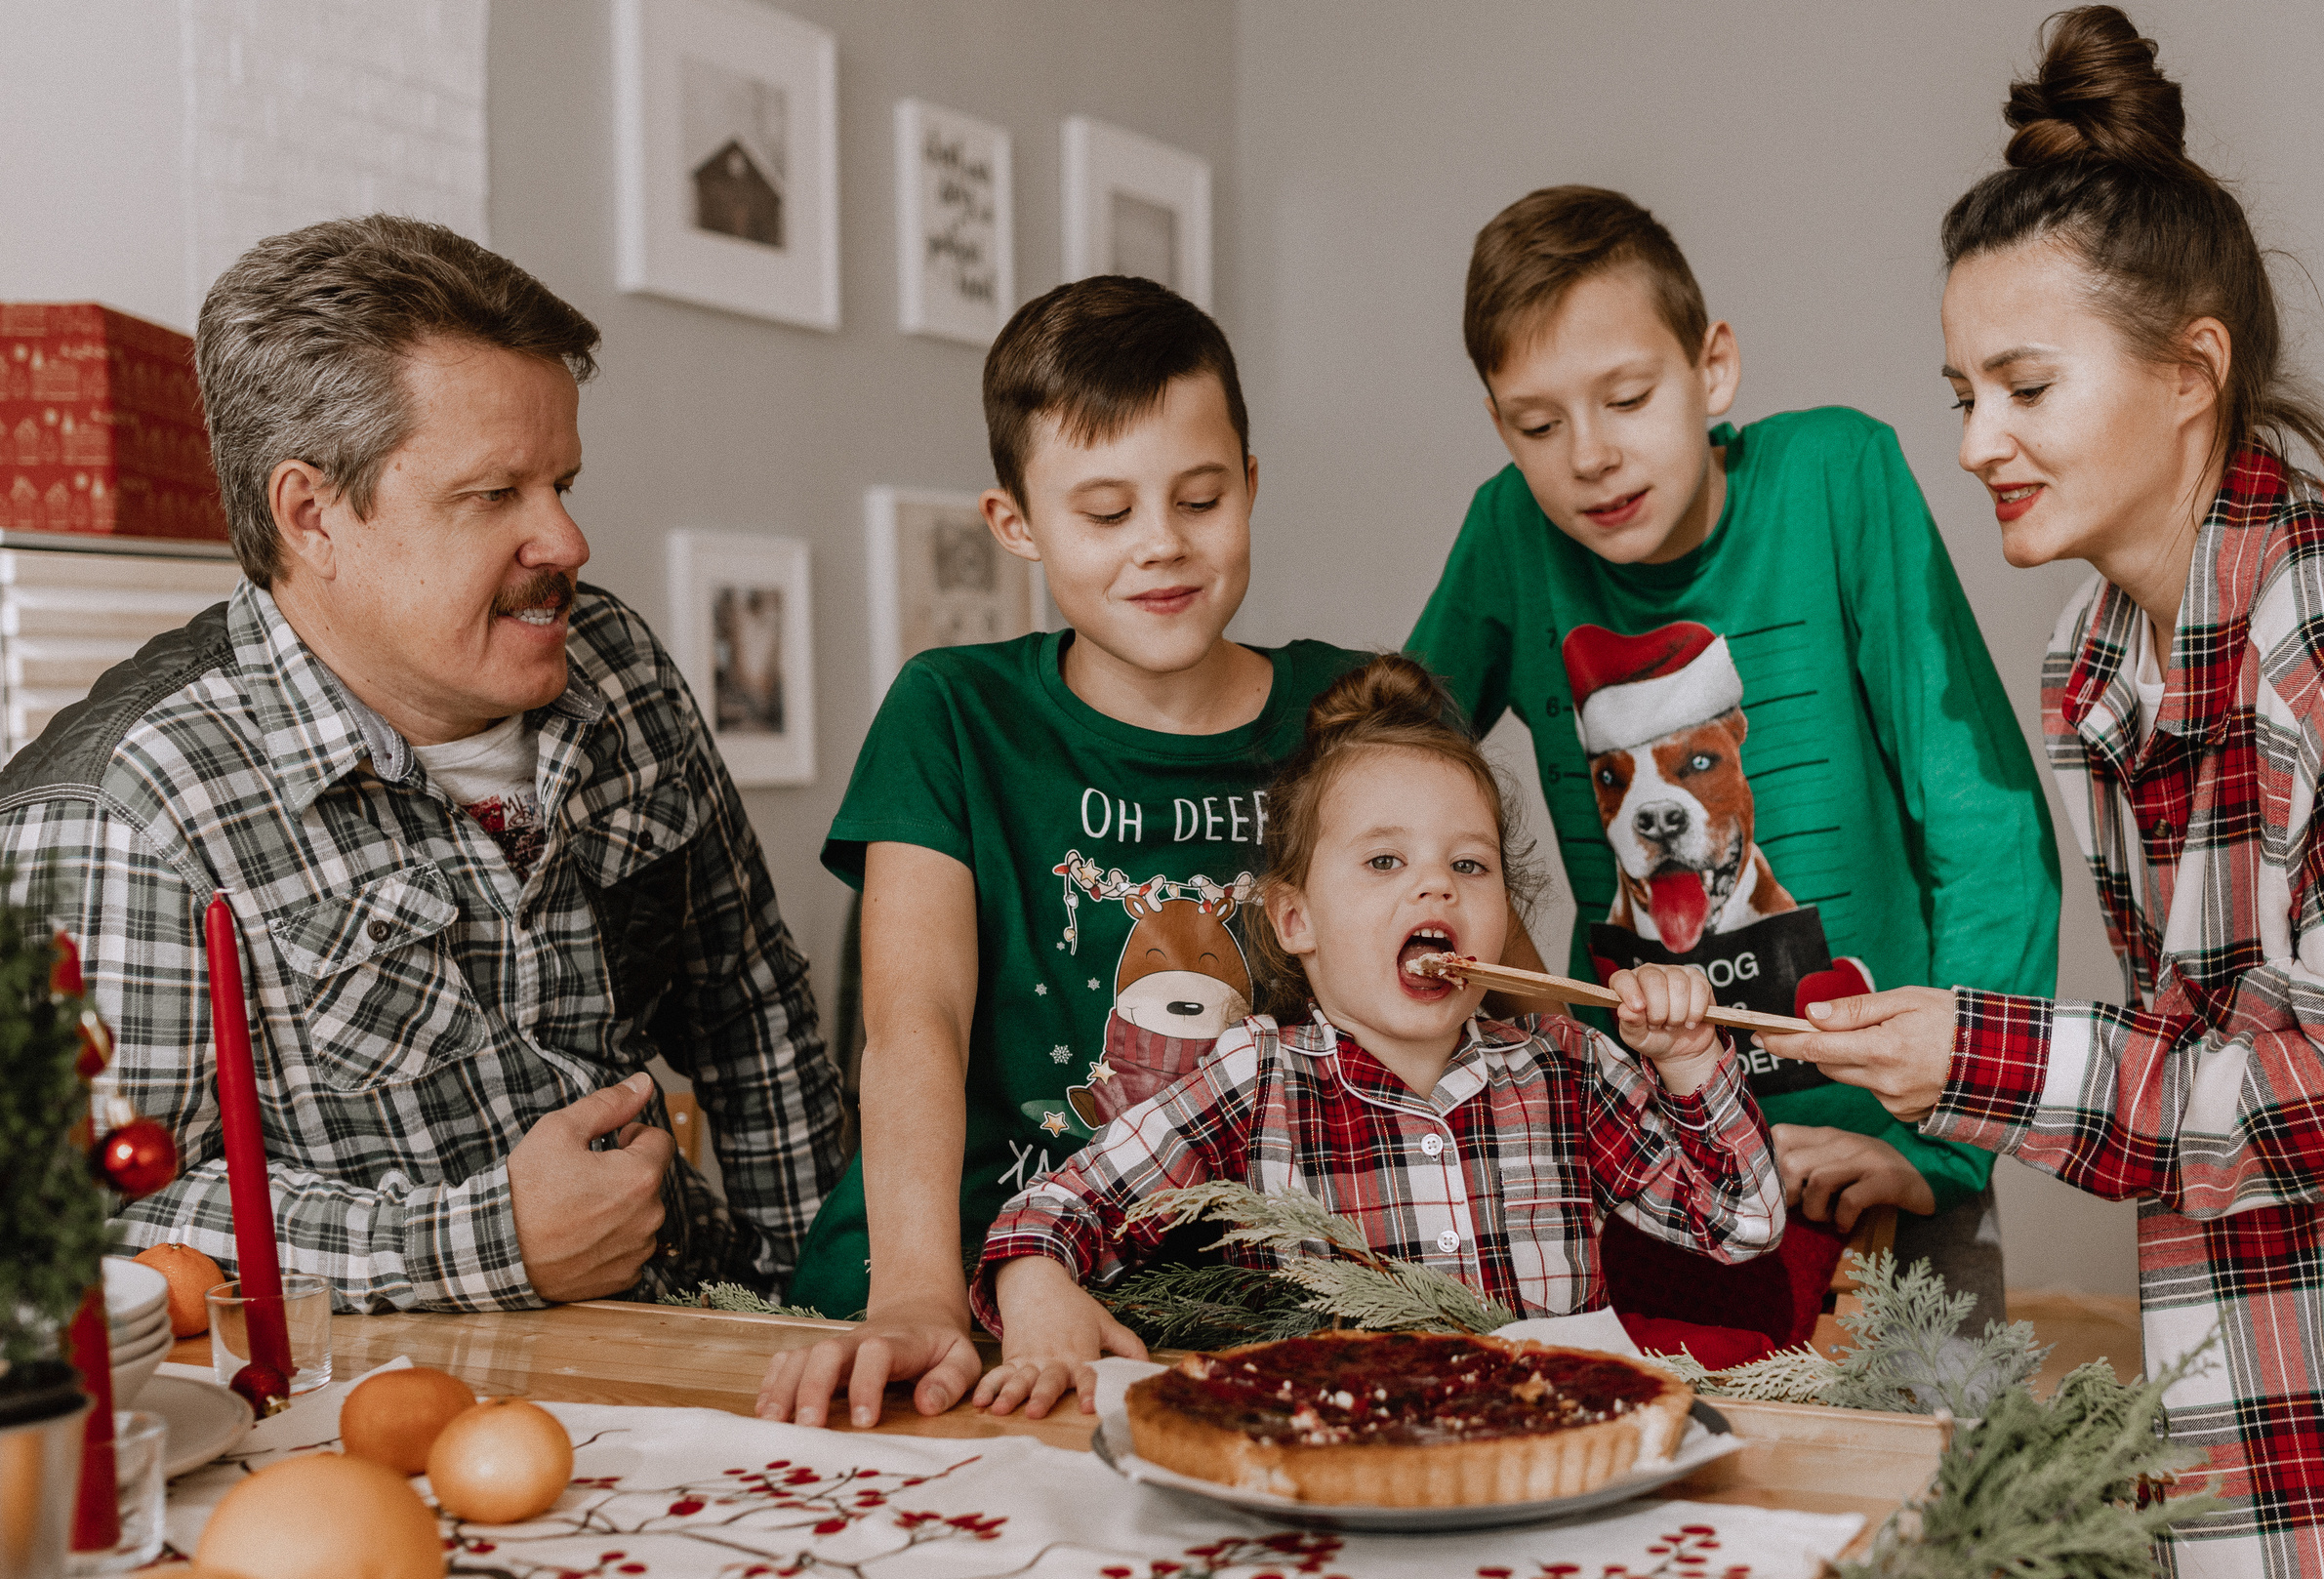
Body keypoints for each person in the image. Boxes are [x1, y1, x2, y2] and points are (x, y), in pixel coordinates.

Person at [1764, 8, 2324, 1579]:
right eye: (1961, 390)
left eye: (2025, 385)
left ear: (2191, 374)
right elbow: (2194, 1066)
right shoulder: (2104, 660)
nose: (1975, 443)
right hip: (2249, 1471)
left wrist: (1991, 1059)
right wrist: (1960, 1053)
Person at [0, 215, 844, 1312]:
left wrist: (830, 1309)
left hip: (699, 1336)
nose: (568, 543)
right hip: (384, 1415)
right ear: (310, 515)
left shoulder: (618, 666)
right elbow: (65, 1218)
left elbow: (751, 1013)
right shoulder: (120, 813)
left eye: (563, 485)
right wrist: (479, 1244)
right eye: (494, 496)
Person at [1403, 185, 2057, 1328]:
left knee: (1935, 1473)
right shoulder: (1508, 532)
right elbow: (1382, 769)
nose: (1591, 458)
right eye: (1537, 424)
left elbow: (1983, 813)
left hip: (1888, 1155)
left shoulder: (1838, 476)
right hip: (1642, 1163)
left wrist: (1944, 1142)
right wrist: (1513, 992)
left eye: (1627, 398)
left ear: (1712, 368)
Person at [763, 277, 1408, 1428]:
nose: (1161, 545)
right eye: (1104, 515)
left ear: (1251, 487)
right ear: (1015, 525)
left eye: (1200, 499)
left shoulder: (1355, 711)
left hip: (1264, 1292)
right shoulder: (953, 713)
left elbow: (1483, 1003)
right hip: (954, 1261)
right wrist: (915, 1292)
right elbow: (915, 1016)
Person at [965, 655, 1782, 1419]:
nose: (1435, 882)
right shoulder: (1255, 1077)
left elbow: (1742, 1223)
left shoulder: (1568, 1069)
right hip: (1328, 1468)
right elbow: (1060, 1206)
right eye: (1385, 861)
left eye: (1470, 865)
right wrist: (1036, 1290)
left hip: (1547, 1455)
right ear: (1297, 919)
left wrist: (1687, 1058)